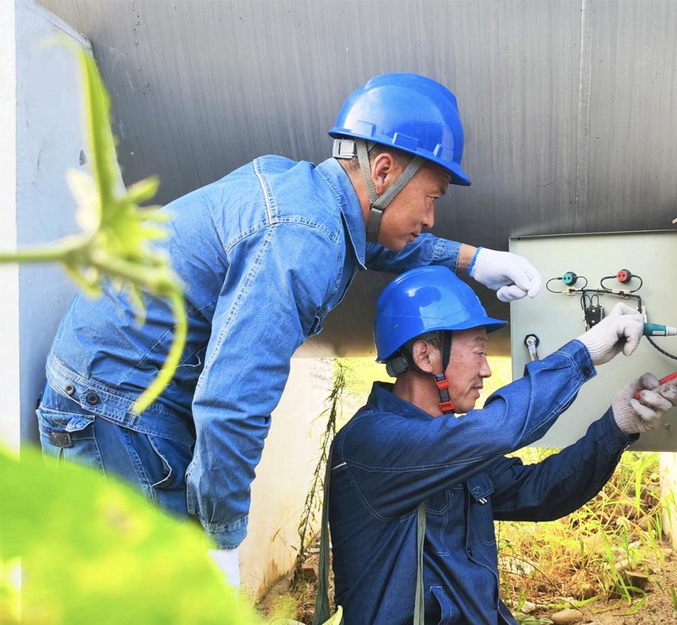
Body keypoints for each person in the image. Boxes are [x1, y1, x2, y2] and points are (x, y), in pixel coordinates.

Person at [35, 73, 542, 586]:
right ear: (384, 170)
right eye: (431, 197)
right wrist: (223, 541)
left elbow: (374, 240)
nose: (432, 218)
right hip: (112, 410)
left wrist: (471, 259)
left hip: (117, 394)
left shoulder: (307, 193)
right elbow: (233, 402)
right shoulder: (303, 242)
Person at [326, 266, 677, 625]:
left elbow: (540, 492)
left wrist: (619, 425)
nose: (485, 371)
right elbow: (502, 429)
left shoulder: (445, 443)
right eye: (479, 353)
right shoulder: (372, 444)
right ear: (425, 357)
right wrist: (582, 353)